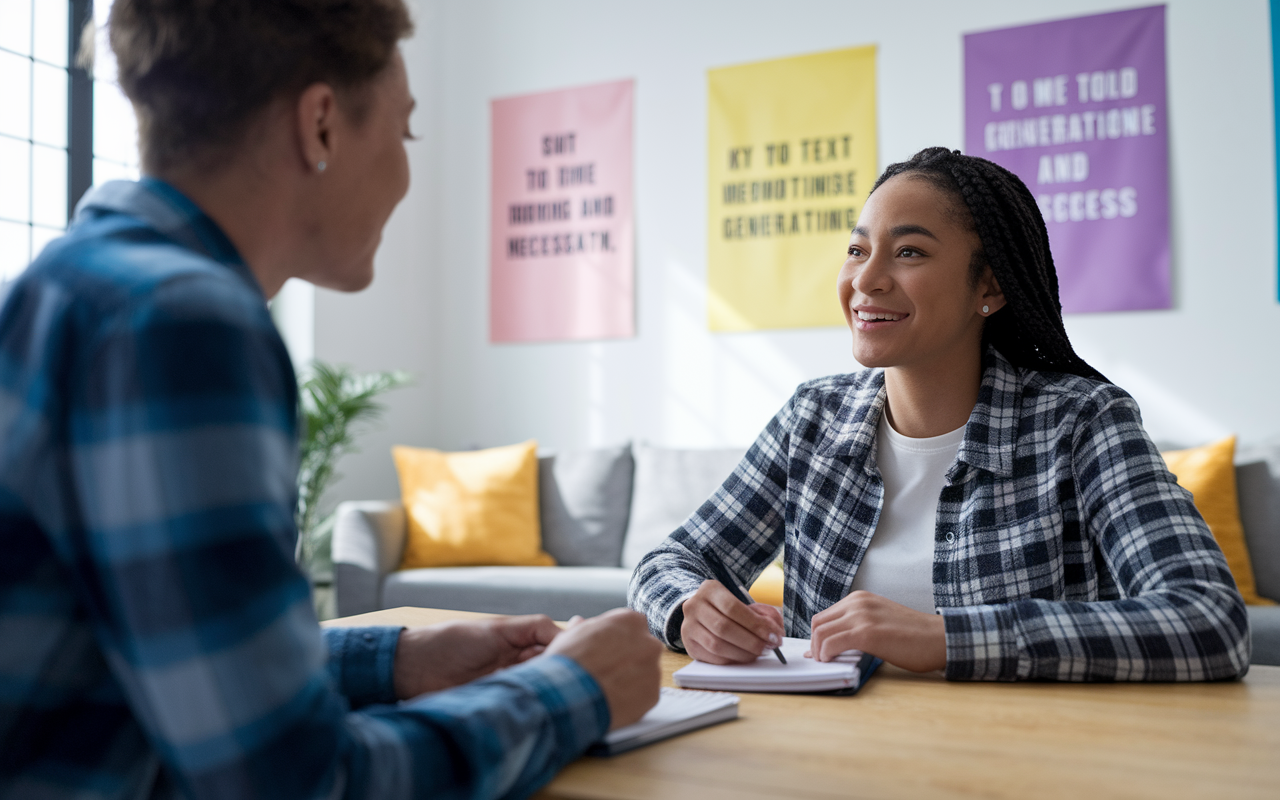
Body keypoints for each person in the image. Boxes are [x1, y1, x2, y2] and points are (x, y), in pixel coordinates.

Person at [0, 1, 661, 798]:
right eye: (406, 130)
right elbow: (300, 782)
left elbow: (155, 664)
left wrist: (396, 658)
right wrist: (574, 690)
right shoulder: (180, 321)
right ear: (319, 126)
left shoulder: (75, 290)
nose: (409, 174)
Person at [630, 147, 1251, 682]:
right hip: (823, 755)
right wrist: (689, 612)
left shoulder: (1083, 422)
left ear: (989, 288)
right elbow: (666, 565)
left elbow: (1207, 618)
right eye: (856, 248)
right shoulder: (812, 419)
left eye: (909, 253)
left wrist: (947, 638)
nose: (865, 280)